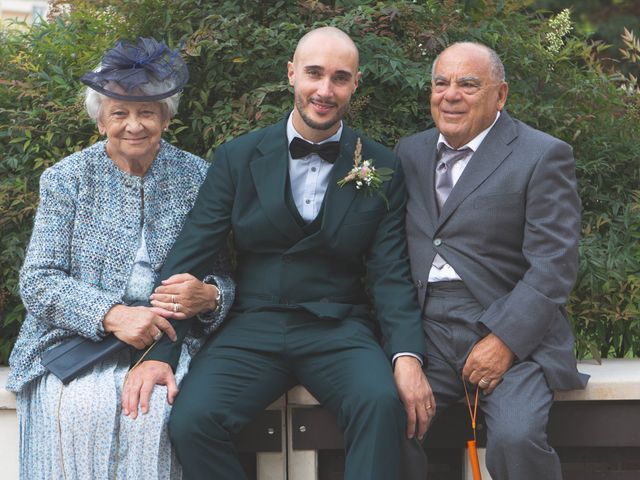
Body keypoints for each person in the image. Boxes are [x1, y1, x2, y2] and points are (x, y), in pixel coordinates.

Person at [123, 26, 432, 480]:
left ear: (355, 84)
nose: (324, 90)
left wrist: (407, 357)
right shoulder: (238, 157)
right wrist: (158, 353)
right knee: (192, 421)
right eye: (313, 73)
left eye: (339, 78)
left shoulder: (381, 165)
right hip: (254, 326)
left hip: (338, 328)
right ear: (291, 74)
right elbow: (190, 258)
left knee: (381, 404)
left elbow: (390, 273)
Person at [7, 37, 234, 480]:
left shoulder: (198, 178)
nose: (134, 125)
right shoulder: (67, 179)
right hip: (74, 342)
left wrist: (208, 296)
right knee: (82, 410)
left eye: (147, 111)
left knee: (153, 412)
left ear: (166, 118)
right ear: (100, 121)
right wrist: (111, 314)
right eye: (120, 112)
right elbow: (38, 280)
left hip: (168, 341)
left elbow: (224, 279)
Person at [395, 41, 589, 479]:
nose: (450, 94)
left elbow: (554, 264)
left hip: (510, 333)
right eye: (441, 83)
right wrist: (402, 350)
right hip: (426, 332)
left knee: (517, 437)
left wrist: (504, 341)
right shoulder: (410, 152)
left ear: (500, 95)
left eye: (468, 84)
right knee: (385, 418)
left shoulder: (541, 154)